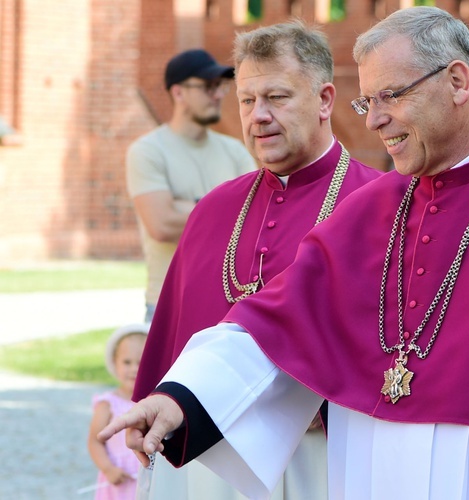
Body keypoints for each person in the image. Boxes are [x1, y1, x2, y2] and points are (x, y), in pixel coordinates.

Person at [102, 7, 469, 498]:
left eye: (391, 95)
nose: (374, 121)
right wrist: (181, 398)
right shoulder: (369, 210)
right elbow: (277, 319)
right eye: (367, 102)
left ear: (457, 82)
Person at [132, 21, 382, 500]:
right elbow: (175, 332)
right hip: (209, 453)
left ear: (326, 100)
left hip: (323, 454)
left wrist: (327, 399)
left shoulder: (378, 202)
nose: (258, 116)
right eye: (247, 100)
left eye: (278, 97)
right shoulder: (214, 210)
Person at [127, 48, 257, 322]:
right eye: (208, 86)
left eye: (220, 86)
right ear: (178, 92)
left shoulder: (235, 150)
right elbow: (161, 225)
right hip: (167, 304)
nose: (219, 94)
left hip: (227, 305)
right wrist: (227, 211)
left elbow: (257, 219)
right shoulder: (148, 151)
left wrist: (187, 205)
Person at [87, 323, 148, 499]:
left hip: (146, 478)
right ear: (115, 363)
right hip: (118, 482)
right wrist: (108, 468)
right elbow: (95, 441)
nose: (134, 369)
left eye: (141, 362)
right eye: (127, 362)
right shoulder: (108, 403)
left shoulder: (154, 402)